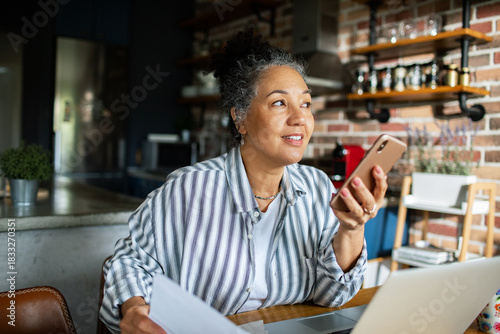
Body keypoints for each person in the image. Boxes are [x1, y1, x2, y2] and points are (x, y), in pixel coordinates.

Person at [99, 28, 387, 334]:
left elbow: (334, 296)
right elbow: (128, 262)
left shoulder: (317, 187)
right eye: (279, 103)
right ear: (240, 118)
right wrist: (133, 309)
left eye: (305, 104)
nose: (300, 118)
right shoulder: (188, 189)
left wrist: (352, 229)